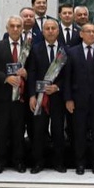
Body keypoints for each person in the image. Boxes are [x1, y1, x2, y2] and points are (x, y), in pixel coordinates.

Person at [65, 24, 94, 174]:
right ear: (81, 34)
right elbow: (67, 77)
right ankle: (80, 163)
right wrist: (68, 98)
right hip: (78, 100)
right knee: (79, 133)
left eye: (93, 32)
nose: (91, 34)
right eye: (88, 31)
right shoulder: (72, 52)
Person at [0, 16, 29, 173]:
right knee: (2, 130)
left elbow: (34, 69)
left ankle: (18, 161)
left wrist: (26, 74)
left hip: (21, 98)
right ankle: (0, 161)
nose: (15, 28)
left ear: (22, 28)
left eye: (18, 26)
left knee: (19, 130)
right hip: (2, 97)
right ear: (7, 28)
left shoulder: (28, 47)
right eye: (12, 26)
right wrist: (6, 78)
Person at [25, 19, 68, 173]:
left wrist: (57, 87)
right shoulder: (35, 49)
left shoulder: (65, 50)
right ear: (42, 31)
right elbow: (31, 73)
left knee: (58, 131)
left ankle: (59, 162)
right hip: (39, 98)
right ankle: (38, 162)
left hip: (58, 97)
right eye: (47, 28)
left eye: (53, 28)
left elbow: (68, 75)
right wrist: (32, 95)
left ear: (58, 31)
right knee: (38, 131)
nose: (50, 31)